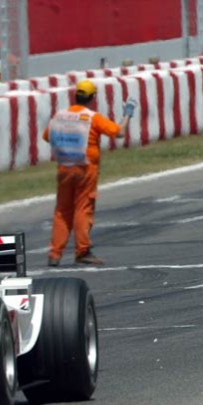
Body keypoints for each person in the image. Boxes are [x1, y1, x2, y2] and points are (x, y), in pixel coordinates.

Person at [43, 79, 136, 266]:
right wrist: (127, 115)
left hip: (64, 168)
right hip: (85, 169)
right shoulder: (92, 117)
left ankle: (55, 253)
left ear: (75, 96)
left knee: (62, 211)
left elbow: (47, 136)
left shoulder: (60, 115)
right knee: (82, 209)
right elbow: (118, 133)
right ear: (92, 97)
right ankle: (82, 250)